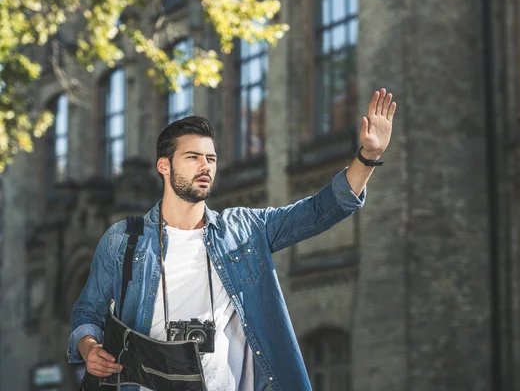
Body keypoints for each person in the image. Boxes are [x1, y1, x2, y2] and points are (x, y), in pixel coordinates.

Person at [68, 88, 397, 391]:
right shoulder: (124, 240)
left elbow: (319, 210)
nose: (205, 166)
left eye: (210, 159)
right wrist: (89, 348)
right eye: (193, 157)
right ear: (164, 166)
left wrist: (367, 157)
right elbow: (88, 313)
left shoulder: (244, 230)